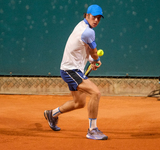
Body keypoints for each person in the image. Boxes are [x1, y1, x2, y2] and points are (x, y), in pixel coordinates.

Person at [44, 4, 108, 140]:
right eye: (93, 17)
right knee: (95, 93)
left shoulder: (82, 26)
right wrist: (96, 59)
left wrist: (92, 60)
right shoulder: (88, 32)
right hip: (70, 70)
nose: (96, 20)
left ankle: (52, 114)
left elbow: (85, 50)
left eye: (98, 18)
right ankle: (92, 129)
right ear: (86, 15)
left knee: (79, 103)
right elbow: (93, 52)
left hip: (73, 69)